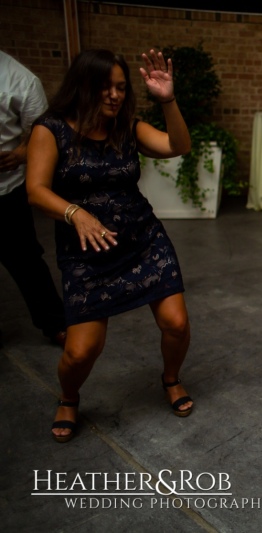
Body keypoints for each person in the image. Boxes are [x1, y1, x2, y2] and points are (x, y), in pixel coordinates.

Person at [26, 49, 194, 443]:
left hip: (143, 240)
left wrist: (167, 99)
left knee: (177, 322)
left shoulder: (127, 127)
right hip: (86, 254)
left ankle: (171, 378)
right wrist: (75, 213)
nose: (114, 95)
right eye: (105, 86)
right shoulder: (50, 130)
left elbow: (177, 146)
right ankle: (69, 397)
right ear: (82, 86)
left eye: (120, 87)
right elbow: (35, 191)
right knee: (81, 351)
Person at [0, 50, 66, 348]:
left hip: (6, 190)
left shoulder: (21, 80)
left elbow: (44, 136)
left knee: (25, 259)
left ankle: (53, 323)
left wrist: (20, 154)